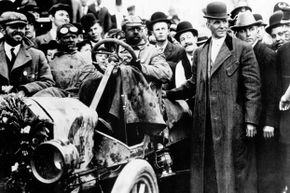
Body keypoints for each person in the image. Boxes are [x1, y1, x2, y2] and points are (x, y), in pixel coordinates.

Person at [164, 2, 261, 193]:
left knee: (235, 172)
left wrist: (251, 121)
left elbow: (253, 87)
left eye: (224, 21)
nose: (222, 26)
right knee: (208, 172)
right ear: (208, 24)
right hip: (204, 124)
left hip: (231, 123)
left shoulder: (241, 49)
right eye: (217, 22)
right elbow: (193, 84)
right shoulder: (200, 52)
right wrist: (168, 94)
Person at [232, 11, 280, 193]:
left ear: (257, 30)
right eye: (244, 30)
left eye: (252, 29)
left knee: (266, 165)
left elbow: (272, 92)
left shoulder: (266, 54)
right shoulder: (238, 54)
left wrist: (269, 122)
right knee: (251, 166)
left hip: (264, 123)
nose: (248, 33)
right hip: (247, 120)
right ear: (237, 33)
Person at [0, 11, 54, 97]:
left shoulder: (37, 55)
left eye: (22, 27)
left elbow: (48, 82)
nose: (18, 31)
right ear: (2, 30)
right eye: (13, 27)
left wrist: (25, 90)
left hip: (27, 105)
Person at [35, 23, 97, 98]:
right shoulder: (51, 62)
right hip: (59, 100)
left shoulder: (87, 58)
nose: (71, 40)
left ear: (77, 39)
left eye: (73, 37)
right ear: (58, 40)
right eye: (66, 37)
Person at [149, 11, 184, 89]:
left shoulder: (179, 50)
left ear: (168, 31)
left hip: (172, 93)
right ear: (152, 33)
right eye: (157, 29)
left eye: (163, 29)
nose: (161, 32)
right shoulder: (149, 51)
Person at [174, 21, 198, 88]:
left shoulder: (208, 56)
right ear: (180, 43)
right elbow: (180, 92)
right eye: (183, 39)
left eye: (189, 37)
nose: (186, 41)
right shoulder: (180, 66)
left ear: (195, 38)